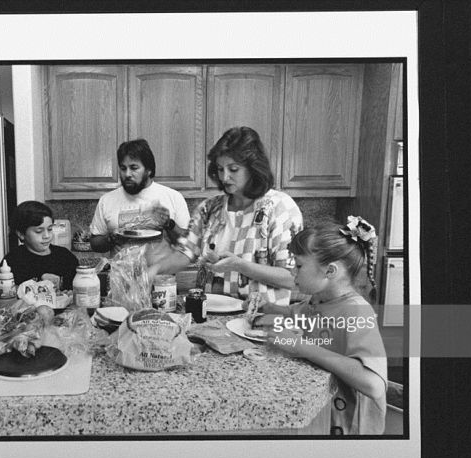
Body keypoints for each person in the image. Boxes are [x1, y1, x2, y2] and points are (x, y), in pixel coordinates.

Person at [148, 126, 303, 305]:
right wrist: (153, 270)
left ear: (253, 168)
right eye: (220, 169)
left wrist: (239, 265)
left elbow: (292, 277)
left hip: (261, 318)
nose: (225, 177)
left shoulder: (280, 208)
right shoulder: (209, 208)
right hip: (211, 314)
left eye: (233, 169)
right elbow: (185, 252)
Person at [261, 217, 387, 435]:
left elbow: (373, 383)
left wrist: (300, 347)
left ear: (329, 271)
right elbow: (297, 313)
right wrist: (266, 307)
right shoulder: (319, 299)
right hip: (323, 411)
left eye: (299, 265)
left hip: (351, 428)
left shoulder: (356, 311)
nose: (293, 272)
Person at [89, 139, 190, 260]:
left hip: (161, 276)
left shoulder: (172, 197)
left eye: (134, 168)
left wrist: (170, 225)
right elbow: (95, 243)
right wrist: (110, 239)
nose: (127, 174)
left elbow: (188, 244)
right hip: (121, 276)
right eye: (123, 168)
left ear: (148, 170)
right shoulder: (107, 200)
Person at [0, 201, 79, 300]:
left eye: (50, 229)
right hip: (27, 313)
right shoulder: (15, 258)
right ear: (21, 234)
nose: (46, 236)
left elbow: (79, 288)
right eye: (39, 231)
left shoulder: (65, 256)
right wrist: (35, 286)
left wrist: (69, 293)